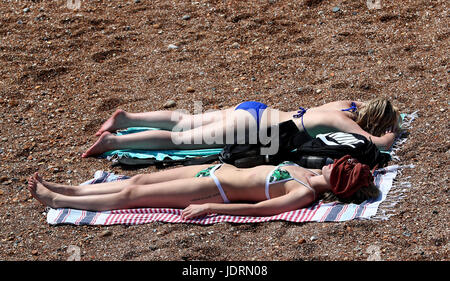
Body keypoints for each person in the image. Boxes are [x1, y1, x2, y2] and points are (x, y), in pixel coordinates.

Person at [27, 155, 379, 219]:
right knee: (135, 180)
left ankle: (57, 201)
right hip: (214, 171)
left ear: (339, 183)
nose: (336, 162)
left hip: (215, 191)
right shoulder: (306, 169)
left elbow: (257, 210)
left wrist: (211, 208)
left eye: (342, 168)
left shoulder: (304, 194)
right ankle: (70, 189)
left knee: (131, 197)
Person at [81, 98, 400, 158]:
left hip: (256, 109)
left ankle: (127, 119)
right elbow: (379, 143)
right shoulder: (343, 121)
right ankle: (111, 142)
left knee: (184, 121)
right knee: (180, 142)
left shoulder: (345, 106)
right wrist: (394, 132)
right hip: (258, 128)